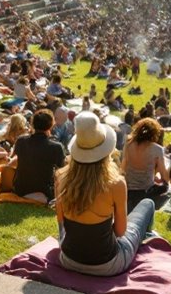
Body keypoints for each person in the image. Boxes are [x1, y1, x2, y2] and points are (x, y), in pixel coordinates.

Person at [55, 111, 154, 277]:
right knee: (148, 204)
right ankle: (148, 240)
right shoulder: (116, 184)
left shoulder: (60, 177)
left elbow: (61, 221)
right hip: (107, 264)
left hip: (68, 259)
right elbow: (121, 232)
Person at [8, 109, 66, 203]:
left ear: (33, 124)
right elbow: (63, 169)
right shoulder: (55, 147)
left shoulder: (21, 141)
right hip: (45, 191)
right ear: (51, 125)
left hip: (20, 189)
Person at [120, 118, 170, 212]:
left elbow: (123, 168)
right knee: (166, 187)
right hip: (146, 190)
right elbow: (164, 176)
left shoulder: (128, 144)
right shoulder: (157, 149)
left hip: (128, 188)